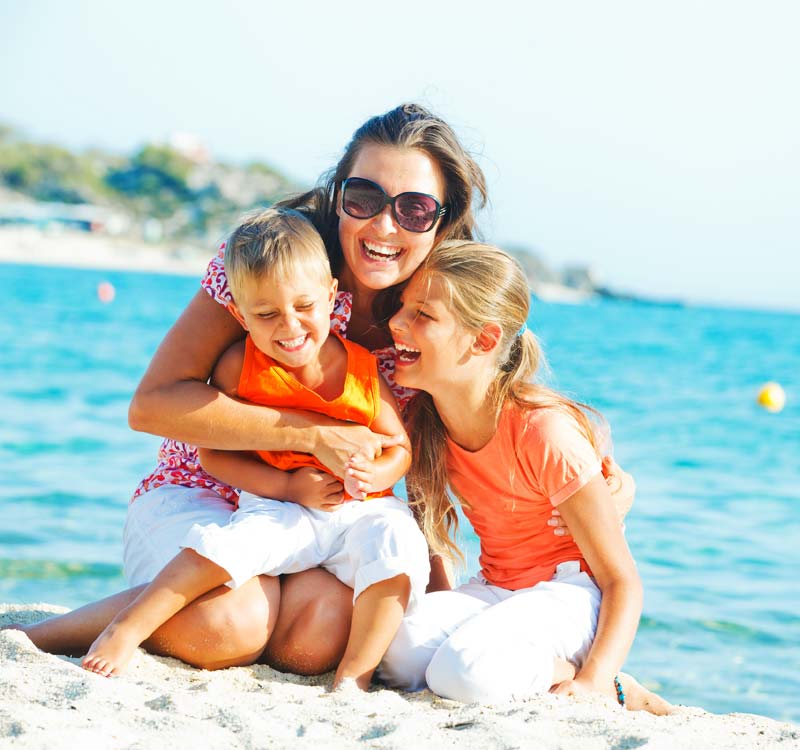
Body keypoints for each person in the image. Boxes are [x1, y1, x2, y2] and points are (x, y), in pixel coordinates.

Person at [15, 103, 633, 676]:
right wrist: (312, 434)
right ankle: (46, 633)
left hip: (333, 518)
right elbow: (151, 406)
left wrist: (588, 483)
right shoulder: (271, 267)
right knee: (229, 625)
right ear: (339, 196)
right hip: (207, 485)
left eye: (414, 209)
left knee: (316, 639)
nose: (384, 224)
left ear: (441, 223)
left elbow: (453, 450)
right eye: (364, 196)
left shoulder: (432, 319)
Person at [80, 207, 429, 689]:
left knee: (387, 553)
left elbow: (399, 446)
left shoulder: (362, 367)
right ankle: (124, 626)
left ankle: (355, 677)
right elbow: (212, 454)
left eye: (304, 308)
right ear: (240, 314)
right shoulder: (240, 366)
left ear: (332, 297)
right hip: (278, 504)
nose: (289, 327)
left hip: (355, 511)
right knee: (230, 552)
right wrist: (287, 484)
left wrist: (381, 474)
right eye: (266, 315)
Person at [377, 241, 672, 714]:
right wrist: (443, 624)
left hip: (573, 595)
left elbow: (622, 582)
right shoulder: (424, 424)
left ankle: (608, 684)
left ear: (484, 340)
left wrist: (594, 681)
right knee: (395, 650)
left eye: (423, 315)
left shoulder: (544, 432)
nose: (396, 323)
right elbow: (428, 537)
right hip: (499, 588)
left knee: (462, 674)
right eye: (403, 308)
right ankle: (494, 658)